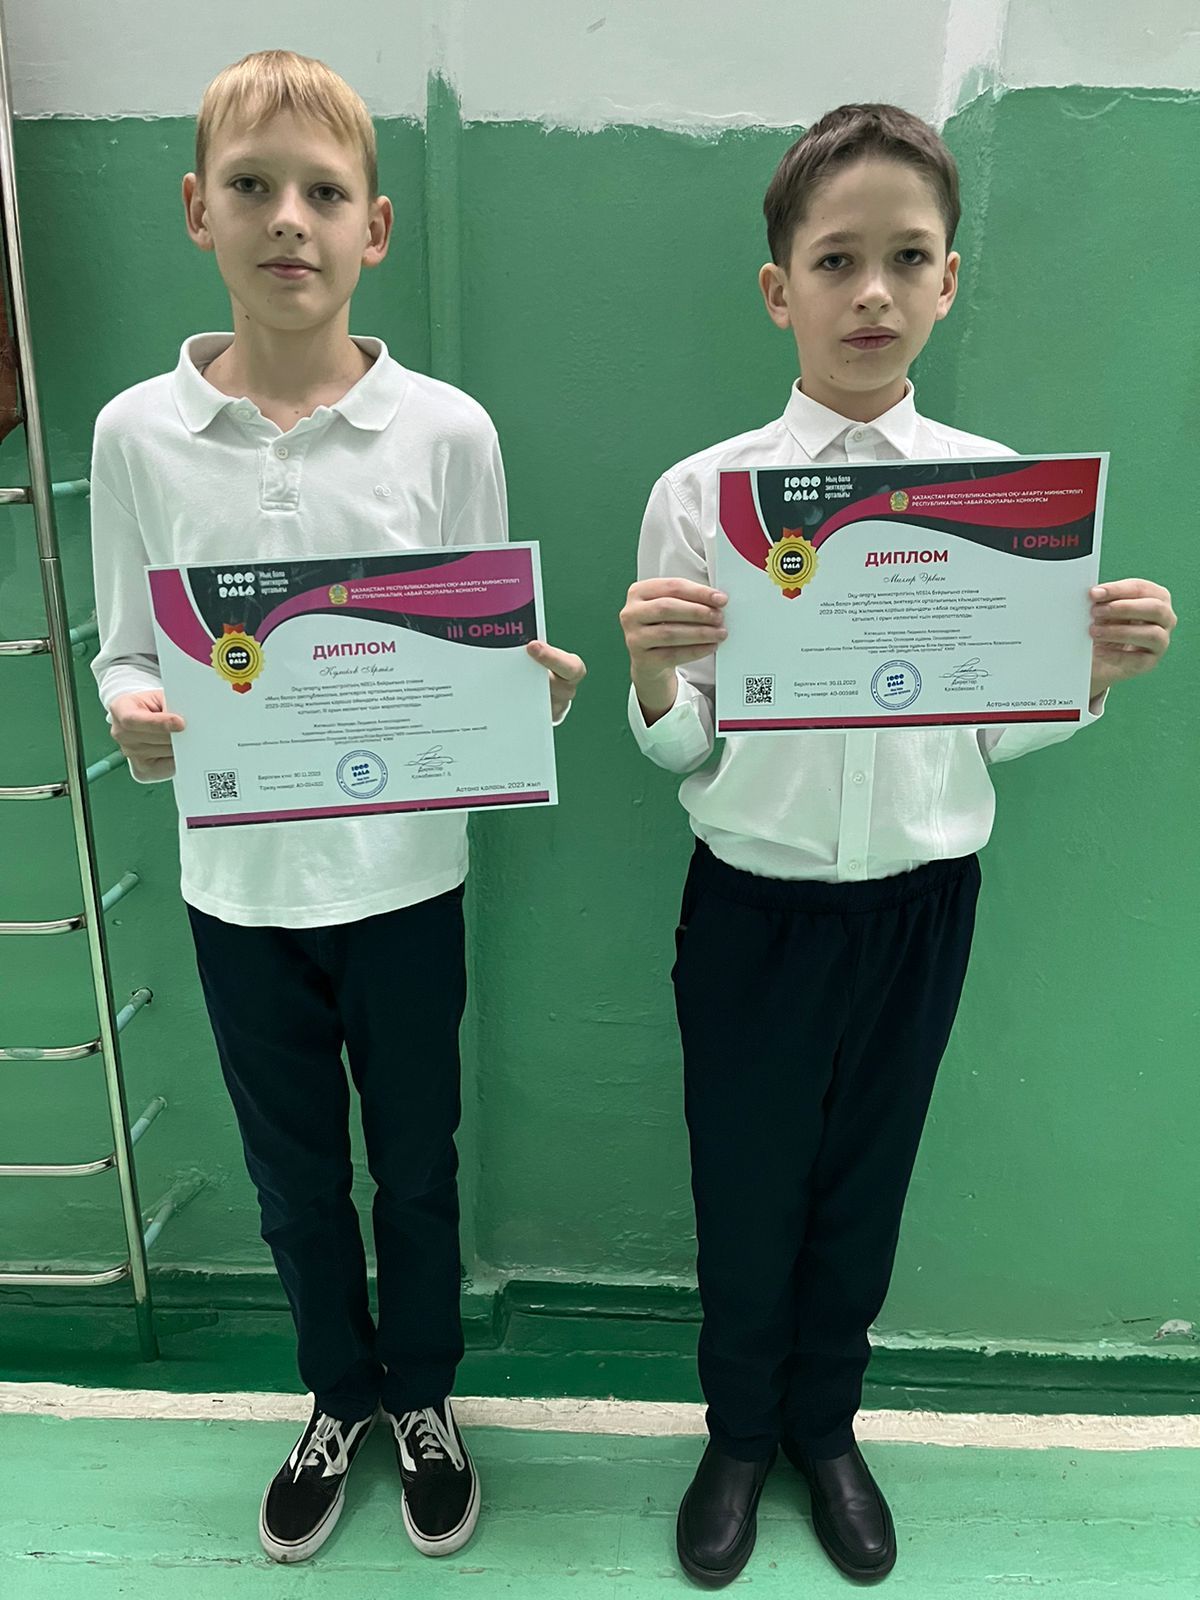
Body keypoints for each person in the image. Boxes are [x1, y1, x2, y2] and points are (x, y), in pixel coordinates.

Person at [619, 102, 1175, 1587]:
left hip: (922, 906)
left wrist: (1087, 677)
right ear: (778, 288)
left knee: (865, 1182)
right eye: (835, 260)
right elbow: (685, 749)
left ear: (948, 281)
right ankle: (739, 1436)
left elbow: (986, 736)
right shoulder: (703, 498)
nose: (871, 292)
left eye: (907, 258)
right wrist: (657, 679)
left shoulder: (998, 501)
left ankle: (826, 1429)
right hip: (752, 907)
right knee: (745, 1188)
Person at [89, 49, 585, 1567]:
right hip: (237, 893)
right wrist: (134, 715)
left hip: (407, 882)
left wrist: (532, 696)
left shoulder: (448, 433)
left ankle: (421, 1394)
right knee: (294, 1178)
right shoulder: (135, 434)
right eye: (253, 187)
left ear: (377, 227)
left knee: (418, 1167)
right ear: (199, 211)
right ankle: (336, 1393)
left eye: (323, 192)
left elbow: (478, 650)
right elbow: (127, 646)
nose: (287, 219)